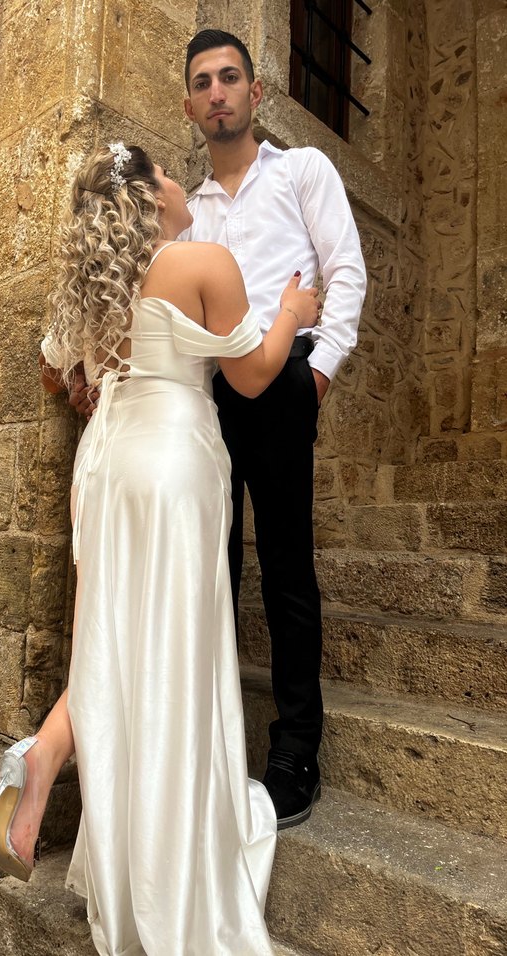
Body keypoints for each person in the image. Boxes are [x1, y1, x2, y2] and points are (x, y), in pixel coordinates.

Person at [0, 142, 319, 954]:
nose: (179, 183)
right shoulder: (201, 262)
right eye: (167, 173)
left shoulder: (92, 283)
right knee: (167, 650)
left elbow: (53, 371)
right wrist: (291, 315)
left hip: (106, 467)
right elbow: (253, 377)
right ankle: (167, 864)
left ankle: (45, 754)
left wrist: (94, 382)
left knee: (112, 638)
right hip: (171, 462)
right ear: (152, 195)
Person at [181, 29, 367, 829]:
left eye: (229, 77)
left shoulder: (301, 171)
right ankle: (212, 745)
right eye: (202, 83)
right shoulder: (188, 213)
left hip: (286, 380)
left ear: (255, 93)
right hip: (209, 398)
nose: (217, 92)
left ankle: (295, 751)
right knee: (210, 572)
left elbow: (345, 267)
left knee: (287, 570)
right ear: (189, 106)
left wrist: (317, 372)